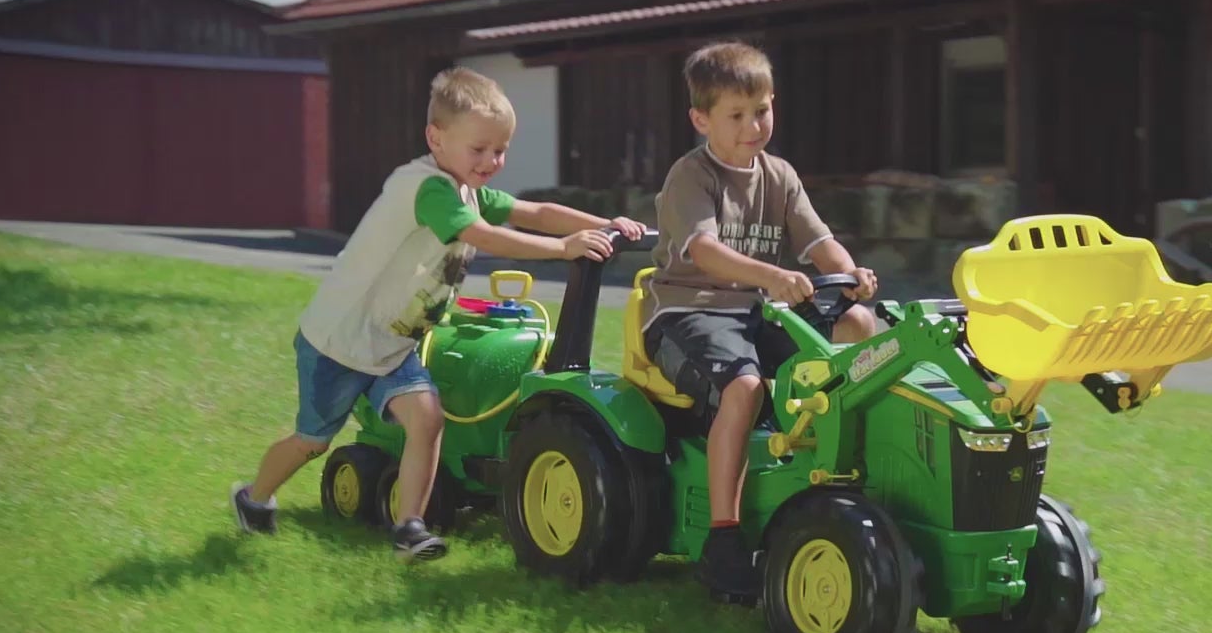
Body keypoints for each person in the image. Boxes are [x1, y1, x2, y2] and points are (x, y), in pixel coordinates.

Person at [231, 66, 645, 560]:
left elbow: (532, 211)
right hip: (339, 342)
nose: (492, 160)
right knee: (312, 442)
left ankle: (410, 527)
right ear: (436, 138)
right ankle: (253, 498)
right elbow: (482, 236)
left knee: (427, 420)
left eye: (500, 150)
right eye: (479, 149)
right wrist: (564, 248)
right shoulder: (427, 189)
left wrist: (609, 224)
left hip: (391, 345)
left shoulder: (467, 189)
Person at [642, 41, 879, 603]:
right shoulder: (691, 177)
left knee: (860, 328)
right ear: (701, 119)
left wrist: (850, 275)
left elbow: (818, 241)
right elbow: (704, 251)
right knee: (744, 387)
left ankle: (844, 477)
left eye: (763, 110)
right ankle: (724, 538)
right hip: (688, 312)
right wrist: (771, 277)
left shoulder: (780, 175)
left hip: (754, 311)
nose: (754, 126)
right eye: (737, 115)